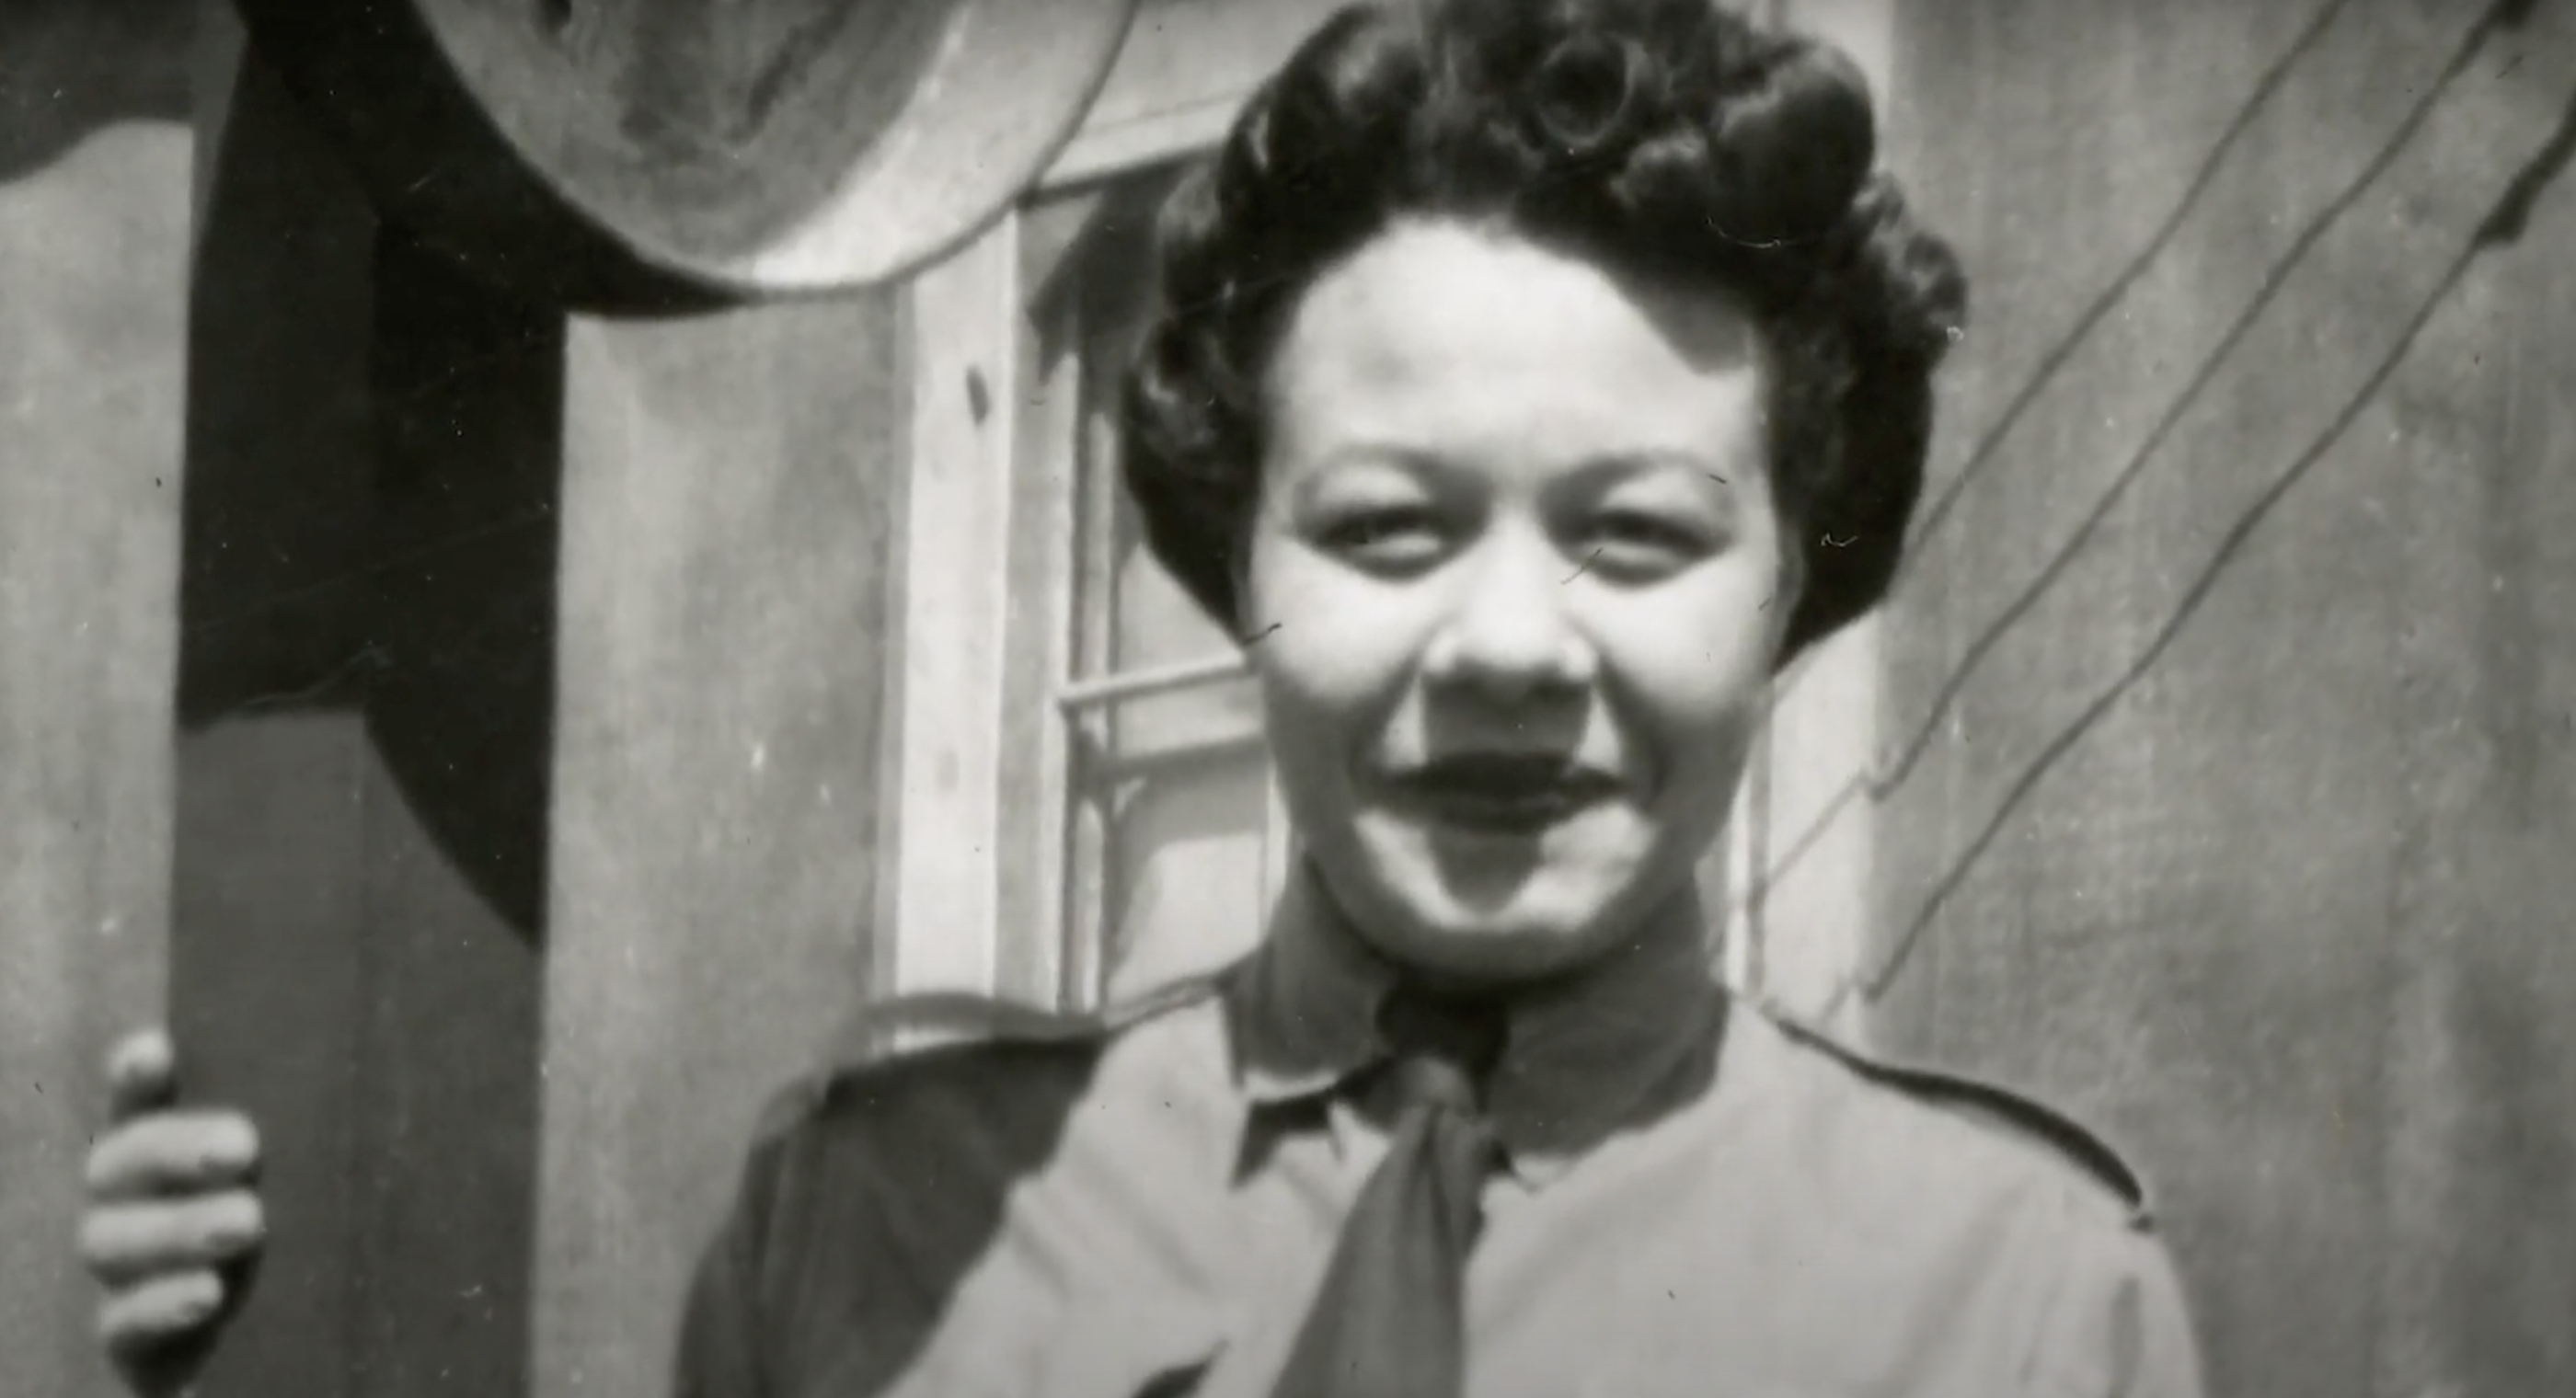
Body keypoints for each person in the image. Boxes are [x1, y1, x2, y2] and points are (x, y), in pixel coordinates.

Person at [80, 2, 2205, 1394]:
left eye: (1634, 537)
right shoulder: (875, 1221)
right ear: (1235, 561)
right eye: (1383, 528)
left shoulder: (2023, 1295)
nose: (1499, 644)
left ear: (1784, 587)